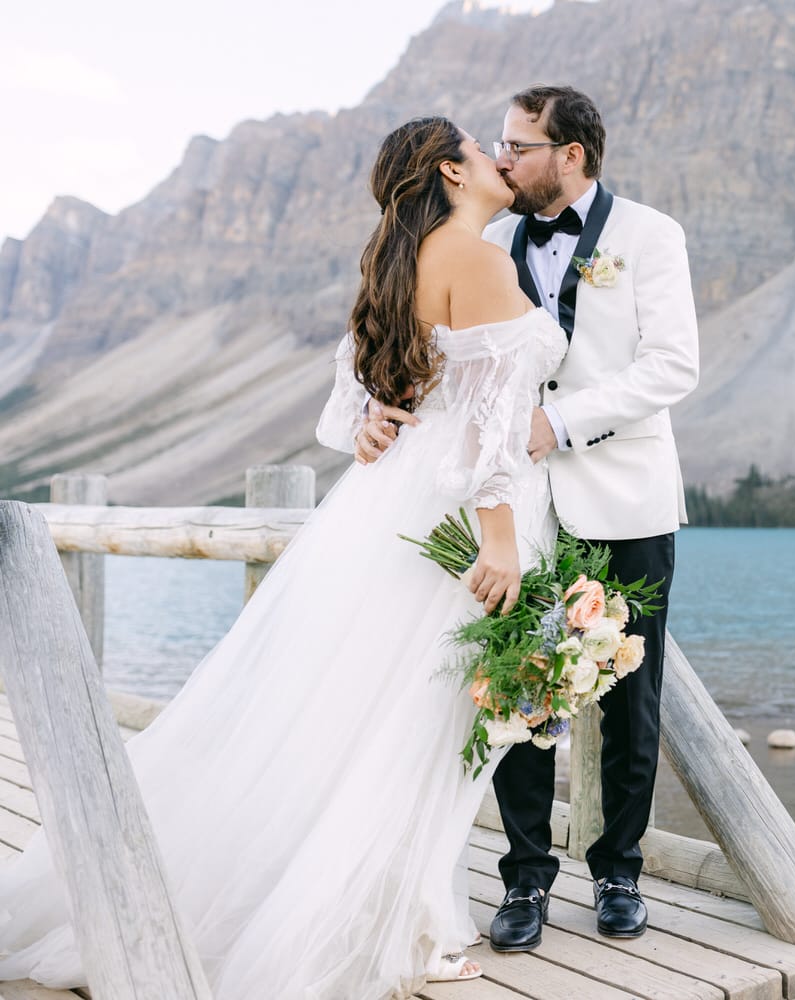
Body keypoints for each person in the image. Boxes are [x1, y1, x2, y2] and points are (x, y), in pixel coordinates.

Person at [0, 115, 566, 997]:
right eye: (479, 149)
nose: (499, 159)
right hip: (457, 516)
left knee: (369, 716)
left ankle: (403, 916)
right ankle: (395, 930)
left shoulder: (396, 263)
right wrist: (500, 540)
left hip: (391, 507)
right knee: (420, 729)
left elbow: (345, 409)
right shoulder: (481, 259)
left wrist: (373, 427)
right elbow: (494, 423)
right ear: (451, 173)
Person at [359, 84, 699, 952]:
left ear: (571, 155)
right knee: (516, 688)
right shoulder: (489, 239)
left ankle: (618, 872)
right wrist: (378, 411)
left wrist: (560, 422)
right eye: (497, 147)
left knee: (632, 697)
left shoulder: (651, 237)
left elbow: (672, 367)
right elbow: (436, 357)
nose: (503, 159)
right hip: (524, 506)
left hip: (625, 496)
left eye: (520, 145)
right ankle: (524, 879)